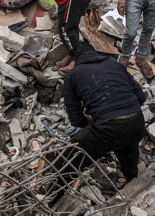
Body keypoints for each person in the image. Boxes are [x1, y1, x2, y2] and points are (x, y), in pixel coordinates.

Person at [61, 44, 147, 186]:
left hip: (109, 129)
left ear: (75, 61)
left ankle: (48, 194)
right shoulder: (116, 65)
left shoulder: (72, 75)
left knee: (72, 157)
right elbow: (142, 99)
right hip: (137, 123)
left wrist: (90, 121)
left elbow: (76, 119)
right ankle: (132, 179)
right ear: (96, 54)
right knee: (128, 145)